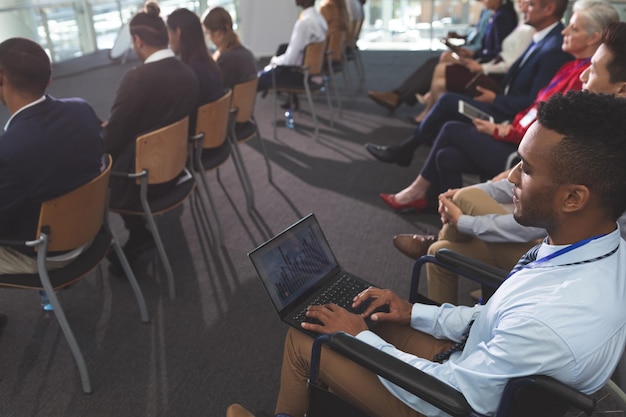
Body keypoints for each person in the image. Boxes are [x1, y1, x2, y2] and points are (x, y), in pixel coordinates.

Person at [274, 90, 626, 417]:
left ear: (573, 198)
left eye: (527, 169)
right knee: (348, 317)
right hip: (476, 363)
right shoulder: (600, 251)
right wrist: (415, 313)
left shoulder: (548, 321)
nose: (512, 179)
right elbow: (497, 319)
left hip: (445, 400)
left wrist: (359, 340)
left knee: (305, 339)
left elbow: (452, 394)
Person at [397, 19, 626, 305]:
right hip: (553, 245)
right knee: (438, 252)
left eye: (592, 70)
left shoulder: (603, 150)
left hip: (559, 262)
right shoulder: (596, 130)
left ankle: (448, 237)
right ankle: (441, 334)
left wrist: (466, 221)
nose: (582, 77)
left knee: (464, 198)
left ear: (621, 90)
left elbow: (538, 219)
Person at [377, 0, 618, 213]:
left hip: (523, 148)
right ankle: (447, 218)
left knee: (451, 125)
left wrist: (500, 129)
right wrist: (503, 127)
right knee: (446, 155)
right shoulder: (570, 67)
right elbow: (538, 110)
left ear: (593, 38)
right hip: (517, 131)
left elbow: (549, 127)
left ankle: (422, 192)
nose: (565, 30)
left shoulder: (576, 74)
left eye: (573, 28)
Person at [365, 0, 573, 167]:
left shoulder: (552, 47)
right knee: (447, 126)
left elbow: (533, 101)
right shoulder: (542, 38)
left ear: (549, 8)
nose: (523, 7)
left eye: (530, 4)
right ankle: (415, 160)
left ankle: (408, 148)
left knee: (447, 102)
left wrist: (495, 98)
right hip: (503, 100)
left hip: (508, 113)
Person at [104, 1, 199, 270]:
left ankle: (136, 235)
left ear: (137, 40)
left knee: (98, 168)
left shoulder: (137, 78)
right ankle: (138, 235)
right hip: (178, 171)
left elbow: (111, 142)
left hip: (141, 182)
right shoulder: (188, 73)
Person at [0, 37, 103, 275]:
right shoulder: (82, 109)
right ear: (49, 77)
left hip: (48, 253)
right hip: (92, 232)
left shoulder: (8, 150)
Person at [412, 0, 532, 123]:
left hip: (491, 71)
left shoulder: (505, 17)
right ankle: (429, 112)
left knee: (442, 68)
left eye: (528, 3)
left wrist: (481, 65)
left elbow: (497, 54)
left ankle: (428, 112)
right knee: (441, 75)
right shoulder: (503, 17)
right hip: (488, 64)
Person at [368, 2, 496, 112]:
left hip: (478, 60)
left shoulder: (497, 16)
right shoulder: (486, 11)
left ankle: (403, 98)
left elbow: (488, 47)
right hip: (472, 52)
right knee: (432, 62)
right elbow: (478, 37)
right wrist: (460, 37)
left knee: (438, 64)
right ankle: (398, 95)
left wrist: (471, 53)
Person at [167, 8, 224, 134]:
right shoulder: (210, 64)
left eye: (169, 33)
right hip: (217, 135)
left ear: (177, 33)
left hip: (197, 144)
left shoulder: (189, 74)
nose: (168, 41)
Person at [256, 0, 327, 93]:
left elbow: (290, 60)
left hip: (301, 74)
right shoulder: (320, 18)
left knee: (255, 81)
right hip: (314, 72)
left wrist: (275, 60)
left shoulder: (304, 23)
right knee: (282, 49)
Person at [202, 6, 257, 90]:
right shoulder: (247, 53)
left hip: (230, 103)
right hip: (244, 103)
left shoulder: (225, 59)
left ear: (218, 32)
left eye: (207, 33)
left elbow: (217, 91)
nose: (208, 38)